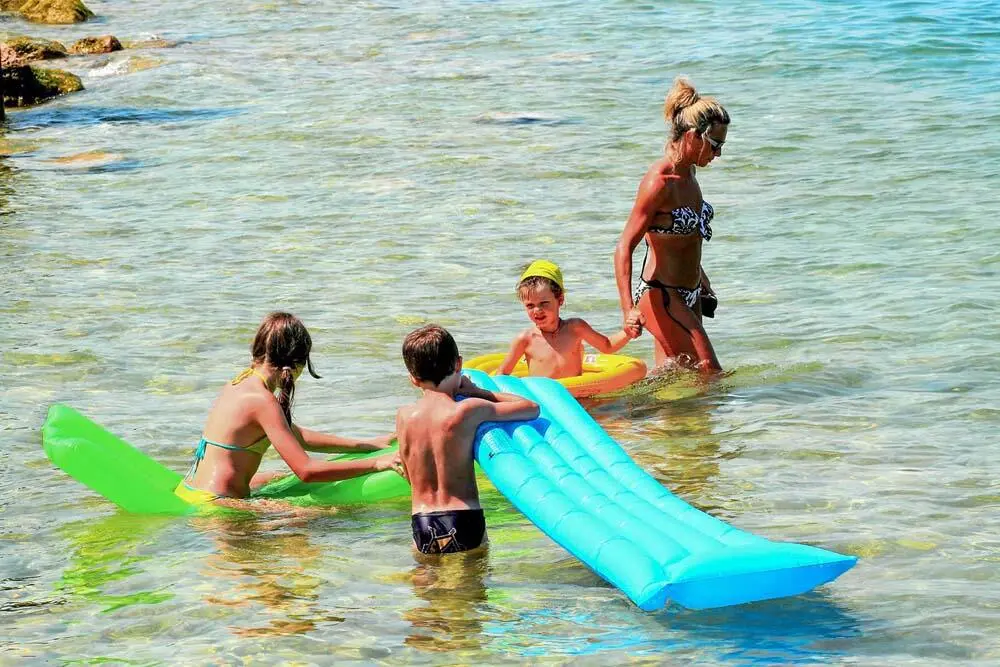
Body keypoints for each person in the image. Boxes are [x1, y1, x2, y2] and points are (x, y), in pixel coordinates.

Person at [175, 311, 400, 505]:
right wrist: (377, 463)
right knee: (313, 516)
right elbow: (306, 471)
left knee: (276, 477)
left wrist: (368, 444)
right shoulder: (263, 401)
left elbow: (297, 436)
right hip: (218, 504)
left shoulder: (238, 383)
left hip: (192, 490)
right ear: (295, 364)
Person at [614, 77, 730, 373]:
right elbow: (625, 246)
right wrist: (628, 310)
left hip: (689, 294)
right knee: (710, 375)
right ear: (693, 136)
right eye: (715, 145)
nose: (718, 155)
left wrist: (700, 277)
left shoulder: (690, 171)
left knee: (674, 376)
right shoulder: (659, 182)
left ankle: (648, 418)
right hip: (662, 294)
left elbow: (685, 237)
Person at [396, 324, 539, 555]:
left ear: (413, 378)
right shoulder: (466, 410)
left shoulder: (403, 416)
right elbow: (530, 408)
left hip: (421, 519)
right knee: (471, 588)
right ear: (458, 364)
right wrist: (477, 392)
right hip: (463, 517)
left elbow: (407, 470)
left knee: (427, 586)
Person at [496, 260, 641, 379]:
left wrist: (627, 333)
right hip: (545, 399)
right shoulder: (526, 339)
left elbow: (607, 346)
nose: (537, 310)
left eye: (544, 303)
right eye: (530, 305)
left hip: (578, 394)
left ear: (560, 300)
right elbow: (502, 374)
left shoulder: (576, 328)